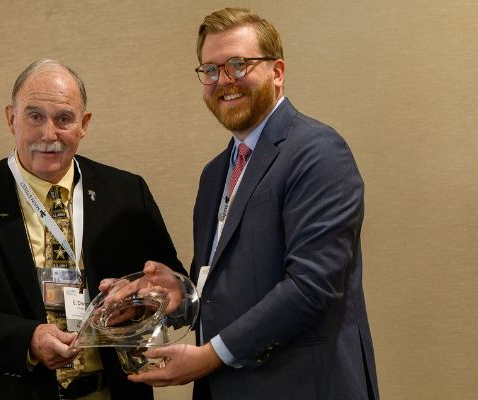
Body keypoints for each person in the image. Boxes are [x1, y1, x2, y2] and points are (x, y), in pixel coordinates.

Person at [125, 8, 380, 400]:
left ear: (277, 72)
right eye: (210, 70)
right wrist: (179, 292)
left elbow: (311, 287)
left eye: (238, 65)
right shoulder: (215, 174)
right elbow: (223, 282)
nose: (223, 80)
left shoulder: (318, 152)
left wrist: (210, 356)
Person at [0, 59, 185, 400]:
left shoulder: (127, 195)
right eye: (34, 116)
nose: (48, 134)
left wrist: (140, 299)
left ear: (84, 124)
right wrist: (27, 339)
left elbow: (169, 285)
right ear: (11, 118)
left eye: (64, 119)